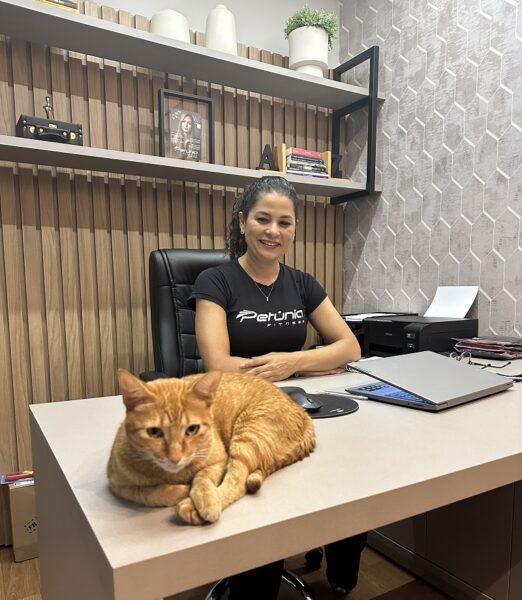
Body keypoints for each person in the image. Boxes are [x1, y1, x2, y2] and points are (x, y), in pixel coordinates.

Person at [191, 175, 367, 598]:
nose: (273, 231)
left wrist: (294, 362)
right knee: (261, 504)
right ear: (242, 222)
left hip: (300, 408)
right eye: (263, 219)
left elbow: (350, 347)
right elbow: (219, 364)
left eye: (284, 222)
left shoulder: (303, 284)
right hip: (240, 415)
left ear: (294, 228)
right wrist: (304, 366)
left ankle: (341, 572)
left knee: (352, 472)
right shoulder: (215, 282)